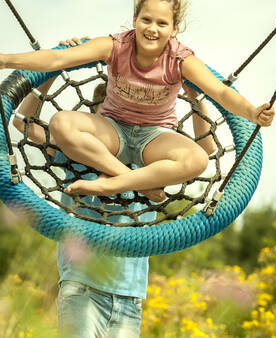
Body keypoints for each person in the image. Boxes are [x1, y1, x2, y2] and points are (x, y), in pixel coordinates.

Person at [12, 35, 216, 337]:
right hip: (81, 283)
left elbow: (206, 148)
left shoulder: (151, 158)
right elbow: (22, 122)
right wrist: (50, 71)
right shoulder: (74, 154)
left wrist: (196, 96)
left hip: (131, 292)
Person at [0, 0, 275, 205]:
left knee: (197, 159)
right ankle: (126, 177)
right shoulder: (116, 46)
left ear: (174, 29)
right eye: (146, 19)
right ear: (134, 20)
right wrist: (7, 59)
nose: (152, 28)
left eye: (162, 23)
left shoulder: (181, 59)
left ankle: (112, 182)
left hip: (154, 138)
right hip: (112, 131)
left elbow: (221, 93)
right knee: (61, 123)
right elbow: (57, 58)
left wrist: (252, 111)